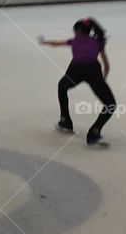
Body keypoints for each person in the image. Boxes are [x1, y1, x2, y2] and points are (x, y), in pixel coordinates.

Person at [41, 18, 117, 148]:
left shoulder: (75, 40)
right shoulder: (98, 41)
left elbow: (56, 44)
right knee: (110, 104)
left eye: (74, 31)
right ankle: (94, 132)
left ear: (79, 31)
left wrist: (44, 42)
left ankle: (65, 121)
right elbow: (106, 64)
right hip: (93, 70)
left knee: (62, 87)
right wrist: (103, 77)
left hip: (76, 70)